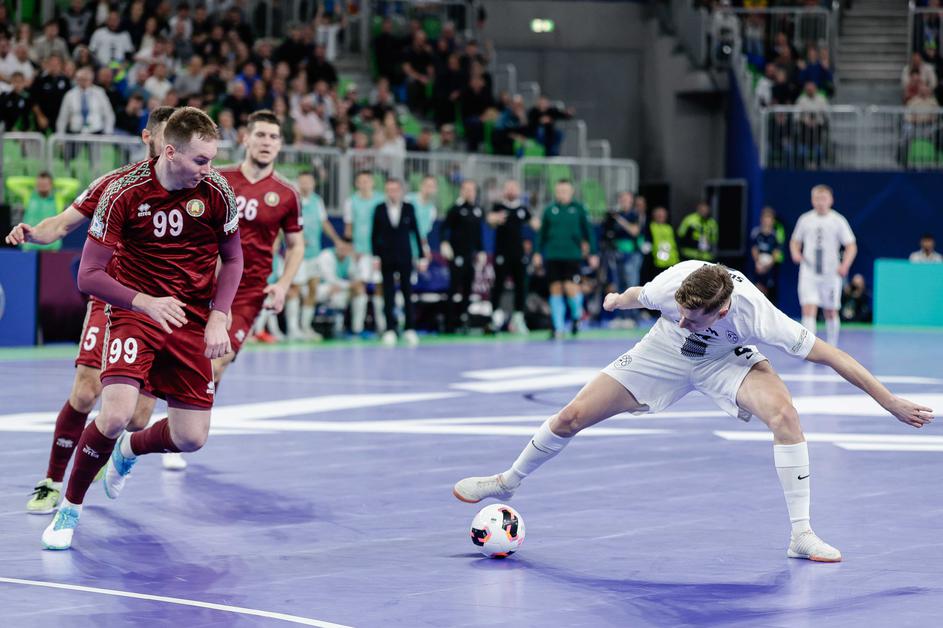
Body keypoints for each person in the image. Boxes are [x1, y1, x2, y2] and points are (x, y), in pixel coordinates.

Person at [453, 261, 934, 563]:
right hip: (664, 352)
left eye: (693, 316)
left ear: (722, 312)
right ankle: (507, 481)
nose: (684, 317)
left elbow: (833, 356)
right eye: (680, 310)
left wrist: (889, 401)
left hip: (725, 359)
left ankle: (801, 535)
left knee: (785, 415)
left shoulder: (757, 314)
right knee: (570, 417)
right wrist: (616, 301)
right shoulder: (674, 288)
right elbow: (639, 295)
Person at [42, 106, 244, 550]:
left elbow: (233, 259)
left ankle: (130, 450)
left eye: (211, 159)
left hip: (190, 318)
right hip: (135, 310)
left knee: (191, 438)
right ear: (170, 152)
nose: (208, 169)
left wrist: (219, 315)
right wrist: (145, 302)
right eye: (200, 160)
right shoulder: (123, 192)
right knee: (114, 413)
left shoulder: (217, 190)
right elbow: (88, 275)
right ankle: (69, 508)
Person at [5, 108, 177, 514]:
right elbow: (62, 224)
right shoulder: (116, 183)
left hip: (163, 307)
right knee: (85, 389)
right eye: (167, 137)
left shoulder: (197, 189)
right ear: (147, 138)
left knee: (137, 418)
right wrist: (33, 232)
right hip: (115, 297)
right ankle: (52, 481)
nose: (174, 148)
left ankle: (115, 450)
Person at [214, 110, 304, 384]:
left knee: (216, 362)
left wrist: (283, 285)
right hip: (206, 282)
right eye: (261, 135)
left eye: (273, 137)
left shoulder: (287, 194)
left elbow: (296, 245)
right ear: (246, 139)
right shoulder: (218, 179)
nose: (267, 142)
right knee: (201, 365)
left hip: (248, 290)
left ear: (280, 144)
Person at [789, 185, 856, 346]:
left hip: (830, 273)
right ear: (812, 200)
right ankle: (810, 348)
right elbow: (795, 241)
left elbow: (851, 245)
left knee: (831, 311)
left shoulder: (838, 220)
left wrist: (845, 265)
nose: (820, 202)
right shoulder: (805, 219)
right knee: (808, 309)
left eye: (824, 199)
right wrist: (795, 253)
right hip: (809, 272)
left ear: (831, 200)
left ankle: (832, 346)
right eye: (817, 199)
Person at [286, 171, 346, 340]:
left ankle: (306, 327)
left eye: (309, 182)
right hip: (296, 254)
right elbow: (282, 225)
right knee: (295, 289)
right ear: (298, 183)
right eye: (303, 182)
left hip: (314, 253)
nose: (306, 185)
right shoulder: (292, 200)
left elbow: (324, 222)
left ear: (313, 184)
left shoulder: (317, 201)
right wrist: (296, 238)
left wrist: (336, 240)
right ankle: (292, 329)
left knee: (313, 288)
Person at [534, 180, 598, 339]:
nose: (562, 193)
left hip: (572, 256)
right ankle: (558, 328)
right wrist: (537, 253)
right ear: (556, 192)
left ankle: (577, 316)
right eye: (559, 190)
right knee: (555, 289)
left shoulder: (579, 209)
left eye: (565, 190)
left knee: (570, 288)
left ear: (571, 191)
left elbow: (588, 231)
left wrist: (593, 253)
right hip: (553, 256)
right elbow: (541, 234)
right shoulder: (550, 210)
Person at [371, 178, 429, 347]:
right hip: (386, 257)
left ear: (401, 191)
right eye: (389, 190)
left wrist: (421, 256)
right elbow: (375, 235)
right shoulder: (379, 209)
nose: (392, 193)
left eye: (395, 189)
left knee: (407, 292)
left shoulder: (409, 208)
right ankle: (390, 329)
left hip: (405, 257)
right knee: (388, 293)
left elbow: (416, 232)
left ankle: (409, 328)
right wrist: (376, 256)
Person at [488, 179, 535, 334]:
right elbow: (490, 221)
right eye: (508, 188)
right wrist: (494, 219)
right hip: (502, 253)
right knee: (499, 285)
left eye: (514, 188)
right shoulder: (498, 207)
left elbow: (535, 225)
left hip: (519, 254)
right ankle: (495, 318)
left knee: (521, 286)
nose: (511, 190)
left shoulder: (523, 209)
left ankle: (518, 318)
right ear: (504, 190)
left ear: (519, 191)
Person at [343, 170, 386, 336]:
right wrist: (352, 250)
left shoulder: (381, 200)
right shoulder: (351, 202)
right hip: (360, 252)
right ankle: (357, 327)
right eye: (361, 181)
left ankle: (383, 326)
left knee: (379, 286)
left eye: (367, 181)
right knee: (359, 286)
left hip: (378, 252)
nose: (364, 184)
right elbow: (348, 228)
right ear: (356, 184)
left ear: (372, 183)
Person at [441, 179, 485, 333]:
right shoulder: (455, 209)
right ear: (461, 191)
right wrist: (445, 243)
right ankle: (449, 322)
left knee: (468, 288)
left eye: (472, 190)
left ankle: (464, 319)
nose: (469, 192)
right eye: (466, 189)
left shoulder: (477, 210)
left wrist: (481, 250)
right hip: (456, 255)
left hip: (470, 256)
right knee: (454, 288)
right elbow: (444, 228)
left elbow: (478, 233)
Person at [601, 191, 644, 327]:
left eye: (627, 199)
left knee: (631, 285)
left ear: (631, 201)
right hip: (617, 254)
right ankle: (621, 317)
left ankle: (633, 317)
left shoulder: (635, 214)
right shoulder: (615, 215)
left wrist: (619, 218)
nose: (624, 201)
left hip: (632, 255)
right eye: (622, 199)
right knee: (619, 285)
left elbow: (634, 231)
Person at [750, 206, 784, 299]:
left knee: (770, 292)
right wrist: (758, 263)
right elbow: (754, 249)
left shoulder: (775, 234)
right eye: (765, 218)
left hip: (770, 267)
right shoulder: (756, 232)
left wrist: (767, 265)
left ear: (773, 220)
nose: (767, 221)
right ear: (761, 219)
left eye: (769, 218)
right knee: (758, 288)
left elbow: (777, 252)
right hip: (758, 266)